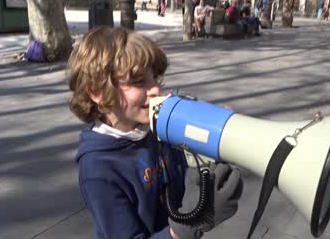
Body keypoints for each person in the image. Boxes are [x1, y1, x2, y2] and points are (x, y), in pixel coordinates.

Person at [67, 27, 243, 239]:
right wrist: (186, 227)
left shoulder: (155, 129)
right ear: (97, 91)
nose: (155, 89)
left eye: (155, 78)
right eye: (139, 81)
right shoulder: (98, 169)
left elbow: (184, 172)